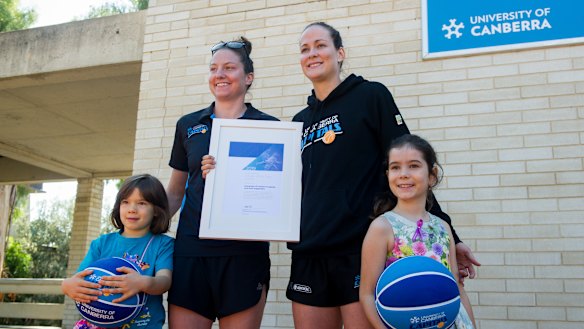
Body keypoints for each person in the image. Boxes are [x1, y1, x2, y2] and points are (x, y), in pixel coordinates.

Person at [286, 21, 480, 329]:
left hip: (359, 248)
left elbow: (410, 166)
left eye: (320, 45)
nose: (312, 53)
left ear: (340, 53)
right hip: (310, 253)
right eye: (304, 49)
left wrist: (450, 237)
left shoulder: (370, 96)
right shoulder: (298, 122)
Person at [165, 36, 278, 329]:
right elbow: (175, 192)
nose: (220, 74)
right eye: (214, 68)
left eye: (229, 67)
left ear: (248, 77)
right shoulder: (188, 125)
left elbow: (277, 194)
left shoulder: (272, 129)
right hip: (192, 251)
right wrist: (142, 234)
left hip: (244, 255)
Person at [360, 134, 476, 328]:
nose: (404, 173)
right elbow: (367, 294)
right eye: (395, 167)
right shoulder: (382, 228)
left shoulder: (443, 226)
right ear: (388, 174)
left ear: (432, 175)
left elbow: (457, 288)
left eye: (413, 165)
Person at [62, 174, 174, 329]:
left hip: (144, 325)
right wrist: (67, 285)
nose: (132, 209)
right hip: (98, 323)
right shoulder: (102, 243)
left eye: (141, 203)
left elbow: (165, 281)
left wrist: (143, 282)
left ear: (156, 210)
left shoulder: (163, 244)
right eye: (125, 202)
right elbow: (79, 278)